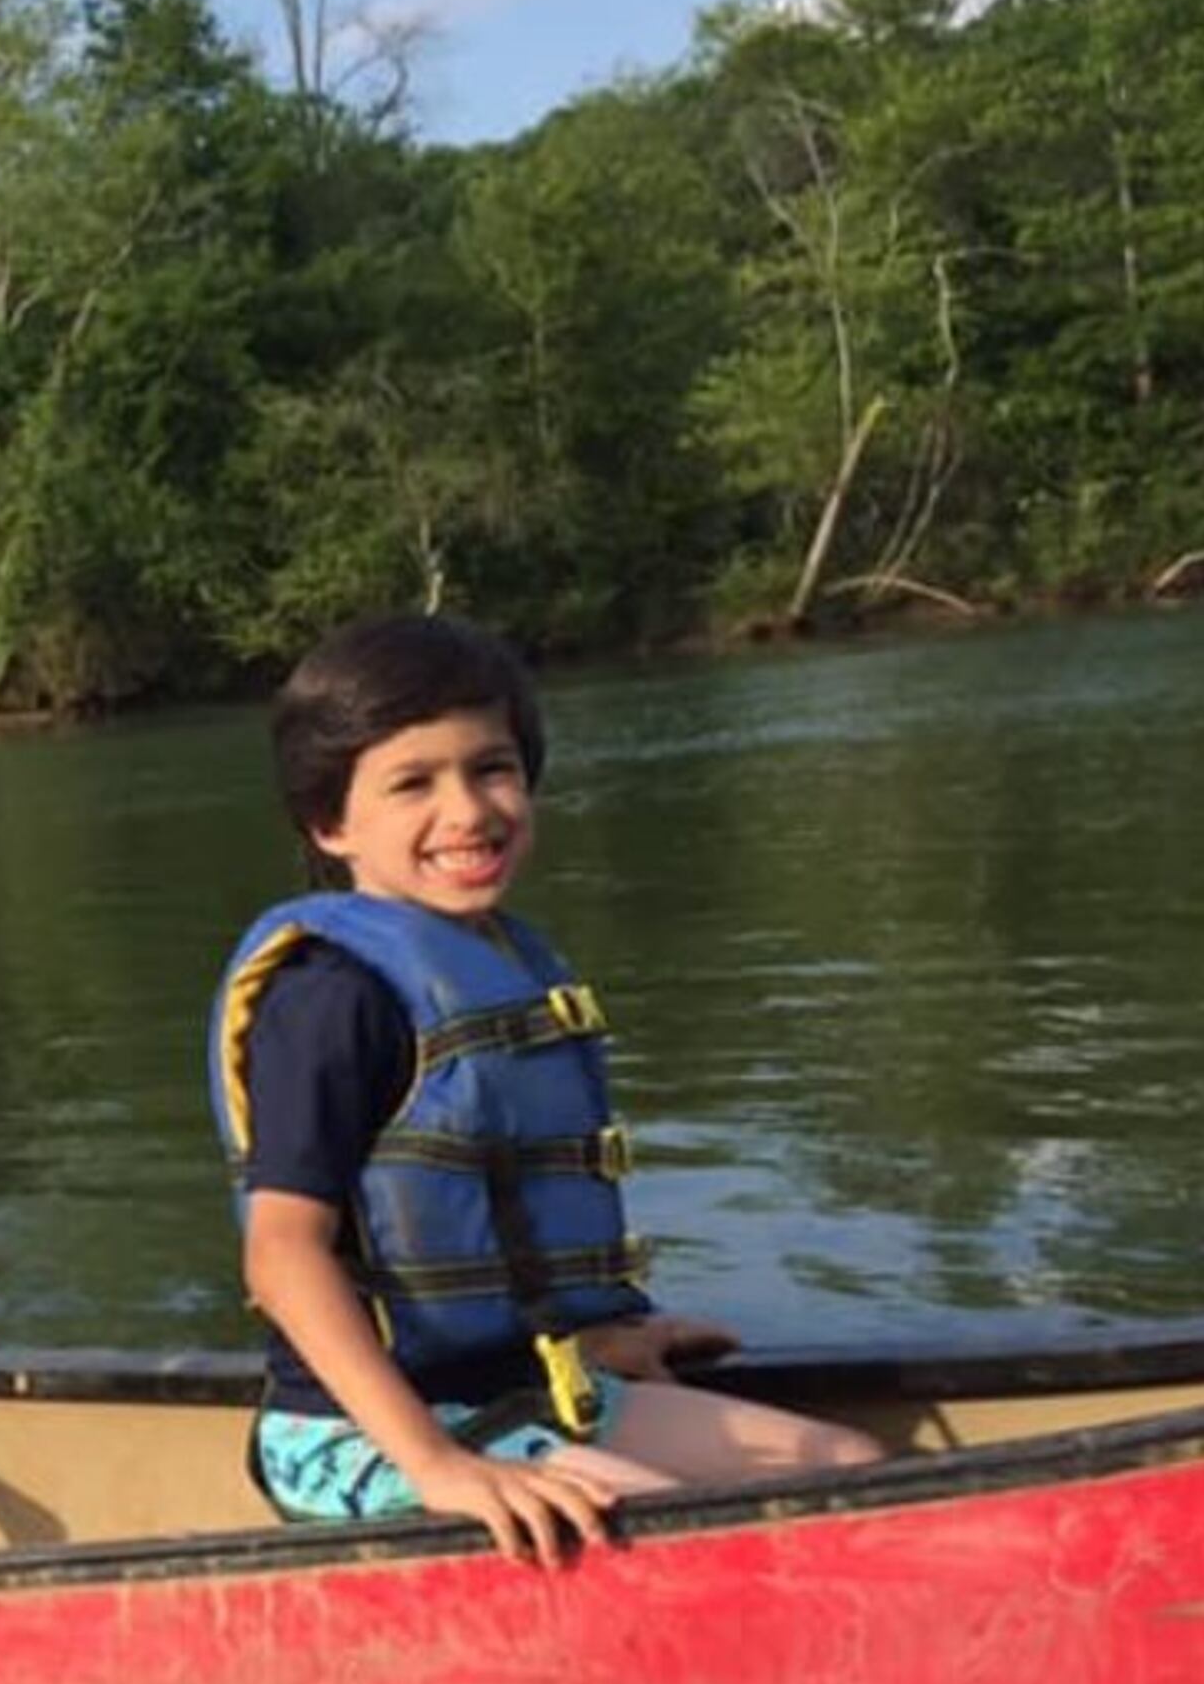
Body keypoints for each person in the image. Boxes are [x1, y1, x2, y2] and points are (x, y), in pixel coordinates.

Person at [209, 615, 880, 1564]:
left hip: (522, 1388)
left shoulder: (504, 959)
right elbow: (280, 1260)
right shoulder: (330, 998)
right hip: (359, 1435)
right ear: (331, 824)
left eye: (492, 768)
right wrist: (439, 1464)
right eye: (413, 783)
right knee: (677, 1544)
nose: (470, 811)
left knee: (850, 1469)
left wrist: (598, 1336)